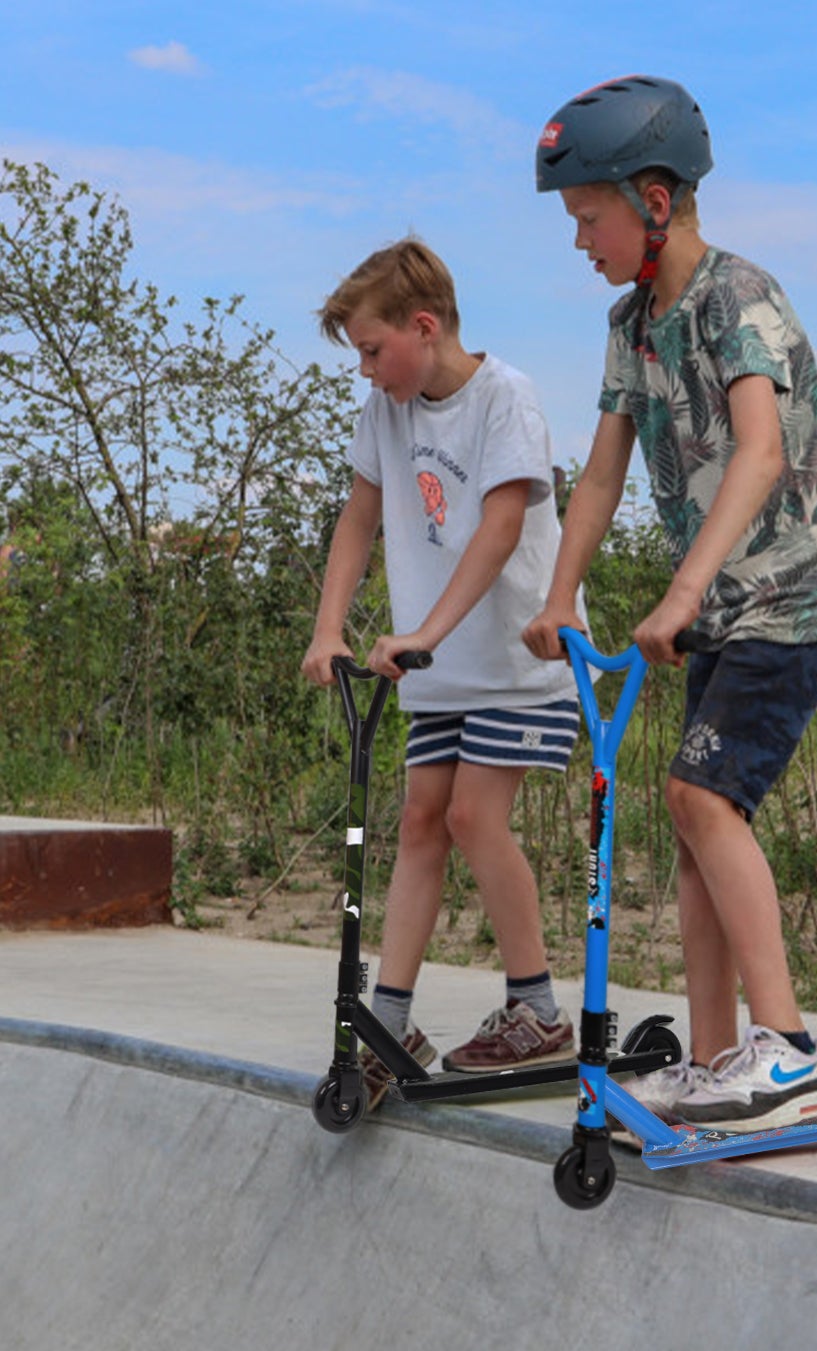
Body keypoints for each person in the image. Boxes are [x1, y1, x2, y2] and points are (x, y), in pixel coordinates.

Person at [523, 76, 817, 1133]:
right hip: (725, 610)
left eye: (587, 217)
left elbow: (761, 451)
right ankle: (718, 1057)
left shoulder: (738, 296)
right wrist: (560, 596)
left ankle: (790, 1052)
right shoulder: (630, 324)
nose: (578, 240)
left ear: (653, 201)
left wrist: (679, 591)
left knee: (699, 798)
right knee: (693, 821)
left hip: (797, 592)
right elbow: (600, 473)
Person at [303, 237, 582, 1107]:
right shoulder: (385, 414)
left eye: (372, 350)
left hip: (518, 663)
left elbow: (501, 528)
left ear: (423, 327)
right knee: (421, 821)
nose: (366, 371)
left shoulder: (506, 398)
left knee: (470, 815)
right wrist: (329, 628)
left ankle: (538, 1011)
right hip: (437, 672)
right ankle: (388, 1023)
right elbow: (359, 518)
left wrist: (424, 629)